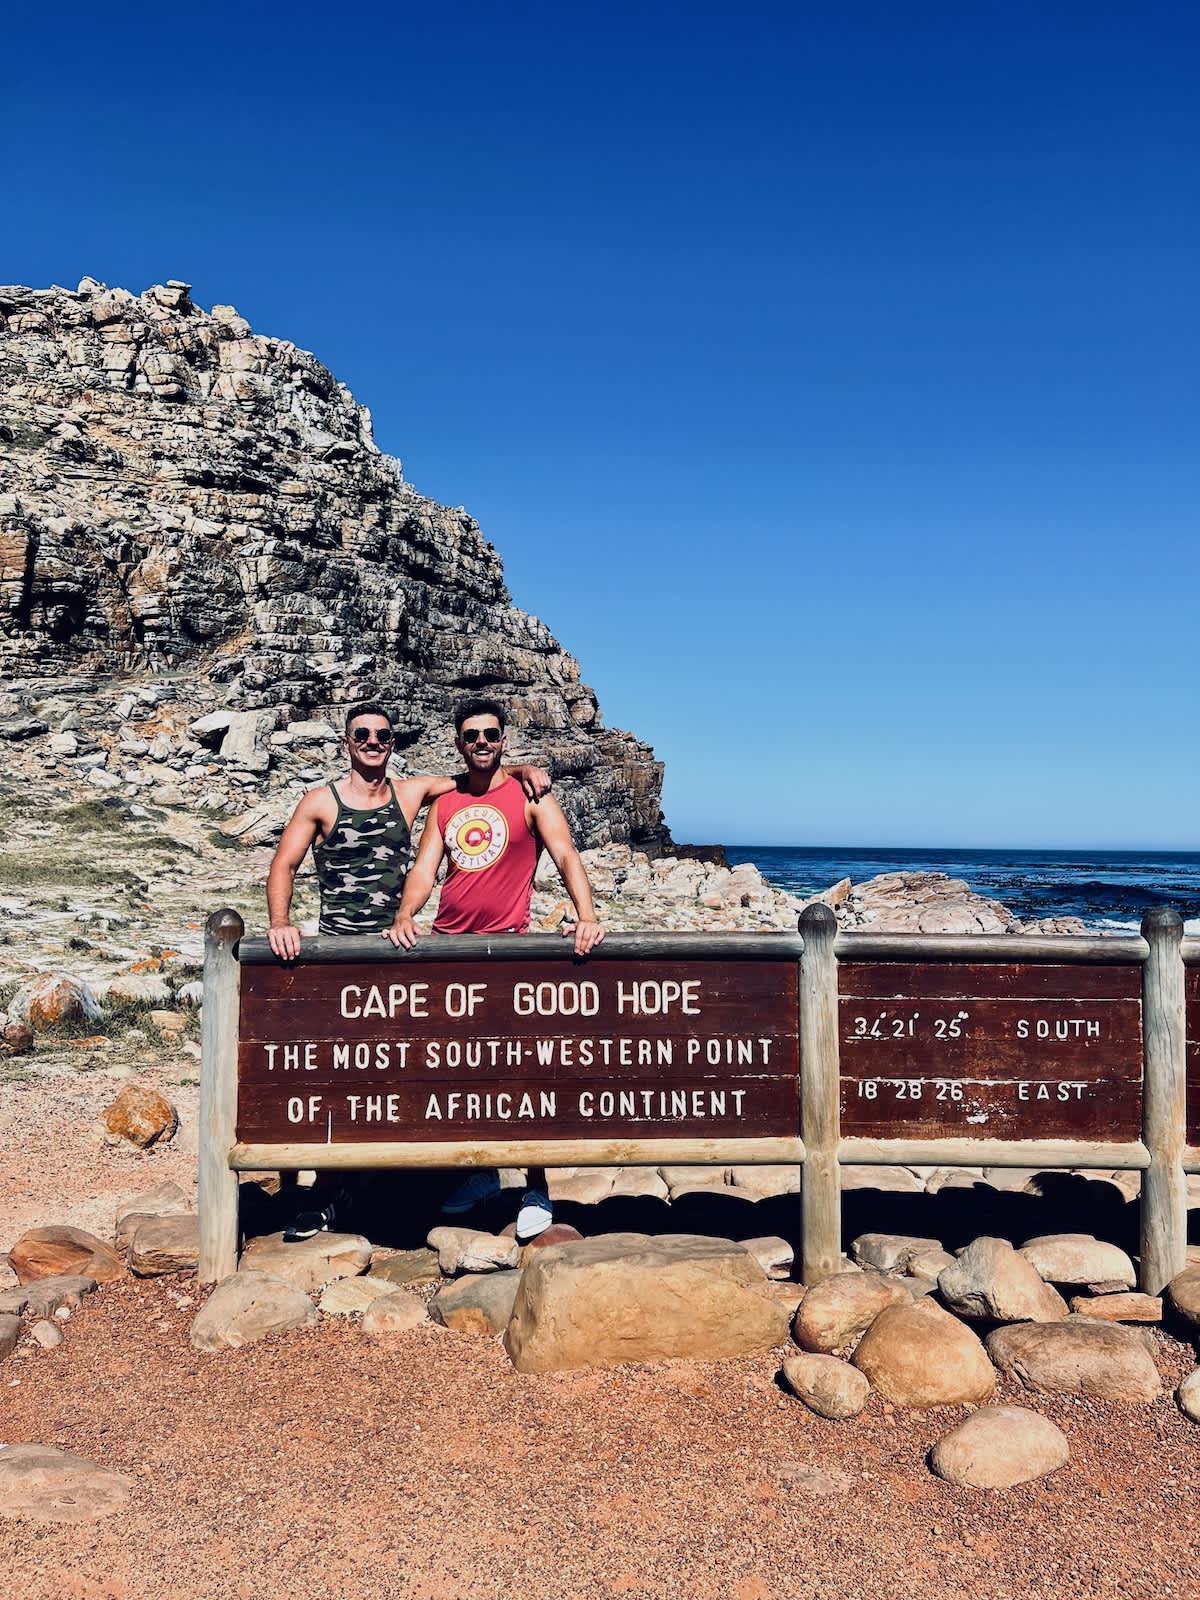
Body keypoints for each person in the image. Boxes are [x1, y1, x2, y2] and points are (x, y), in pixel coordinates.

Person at [264, 700, 549, 1238]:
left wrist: (522, 770)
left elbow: (477, 771)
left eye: (382, 735)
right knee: (342, 1074)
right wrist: (281, 921)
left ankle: (455, 1173)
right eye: (362, 734)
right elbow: (284, 863)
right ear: (347, 742)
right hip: (342, 955)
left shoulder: (412, 792)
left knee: (426, 1064)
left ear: (392, 742)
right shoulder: (320, 801)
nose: (373, 742)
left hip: (404, 950)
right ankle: (327, 1192)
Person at [385, 696, 606, 1238]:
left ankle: (536, 1187)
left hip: (508, 950)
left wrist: (587, 915)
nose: (480, 742)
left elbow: (567, 856)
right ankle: (478, 1174)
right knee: (453, 1067)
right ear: (459, 744)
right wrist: (405, 913)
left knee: (520, 1072)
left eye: (489, 734)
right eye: (470, 736)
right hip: (447, 948)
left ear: (503, 740)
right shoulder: (446, 804)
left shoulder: (531, 794)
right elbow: (425, 868)